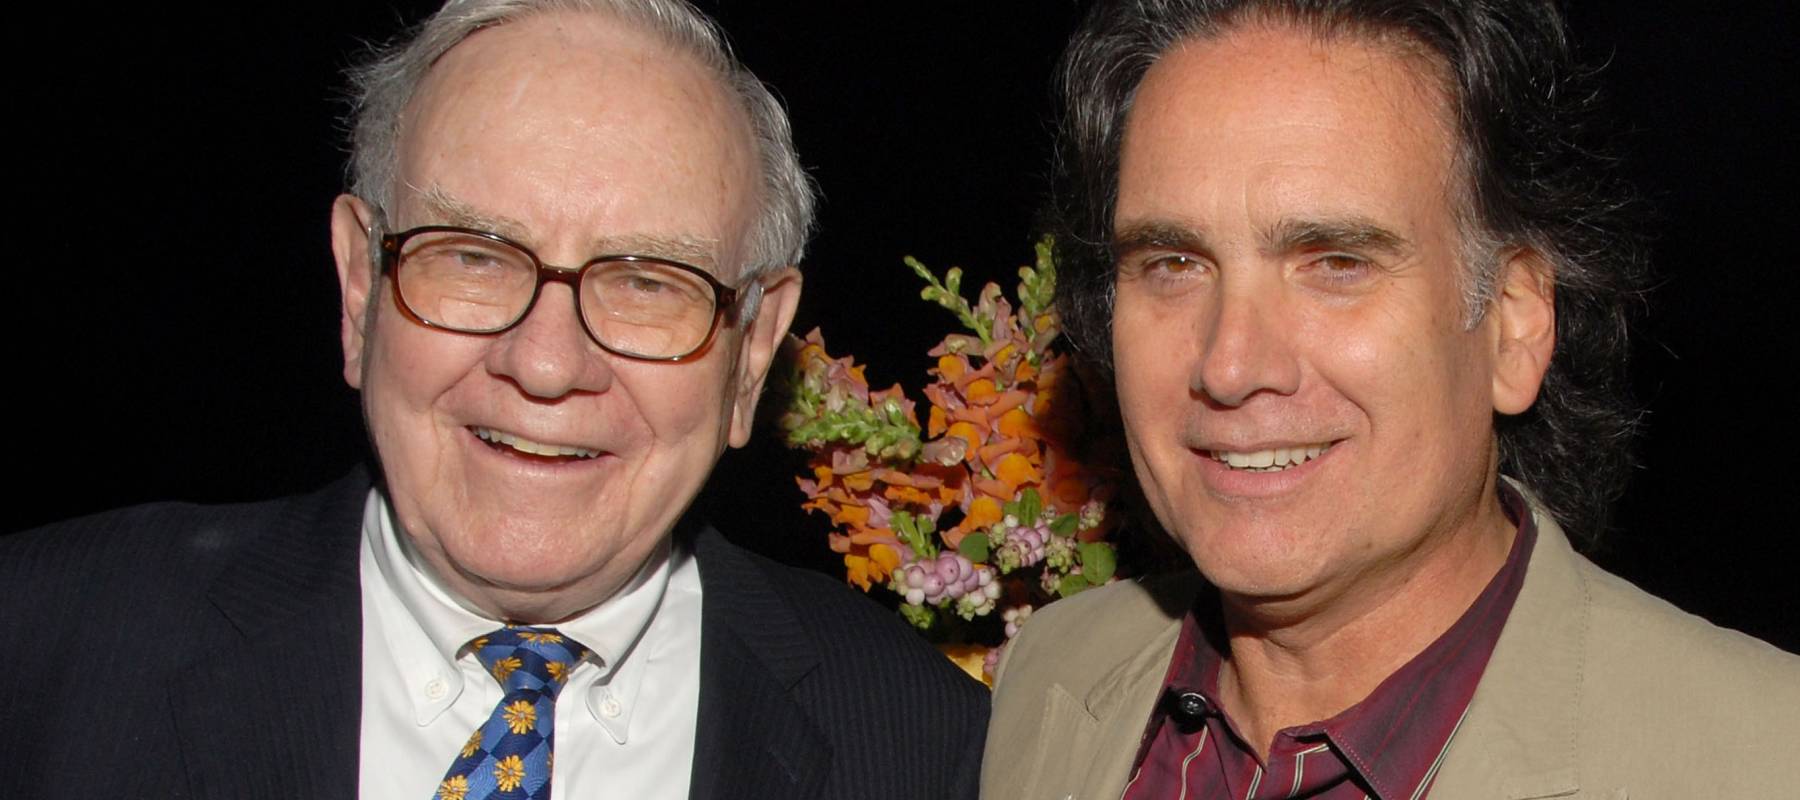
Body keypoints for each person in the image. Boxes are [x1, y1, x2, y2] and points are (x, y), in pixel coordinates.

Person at [0, 2, 986, 798]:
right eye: (471, 256)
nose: (547, 362)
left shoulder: (934, 751)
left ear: (753, 352)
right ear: (357, 291)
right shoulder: (40, 648)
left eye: (647, 280)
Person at [983, 1, 1800, 798]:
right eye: (1173, 264)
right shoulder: (1051, 675)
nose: (1229, 365)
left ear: (1514, 326)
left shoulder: (1763, 759)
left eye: (1336, 263)